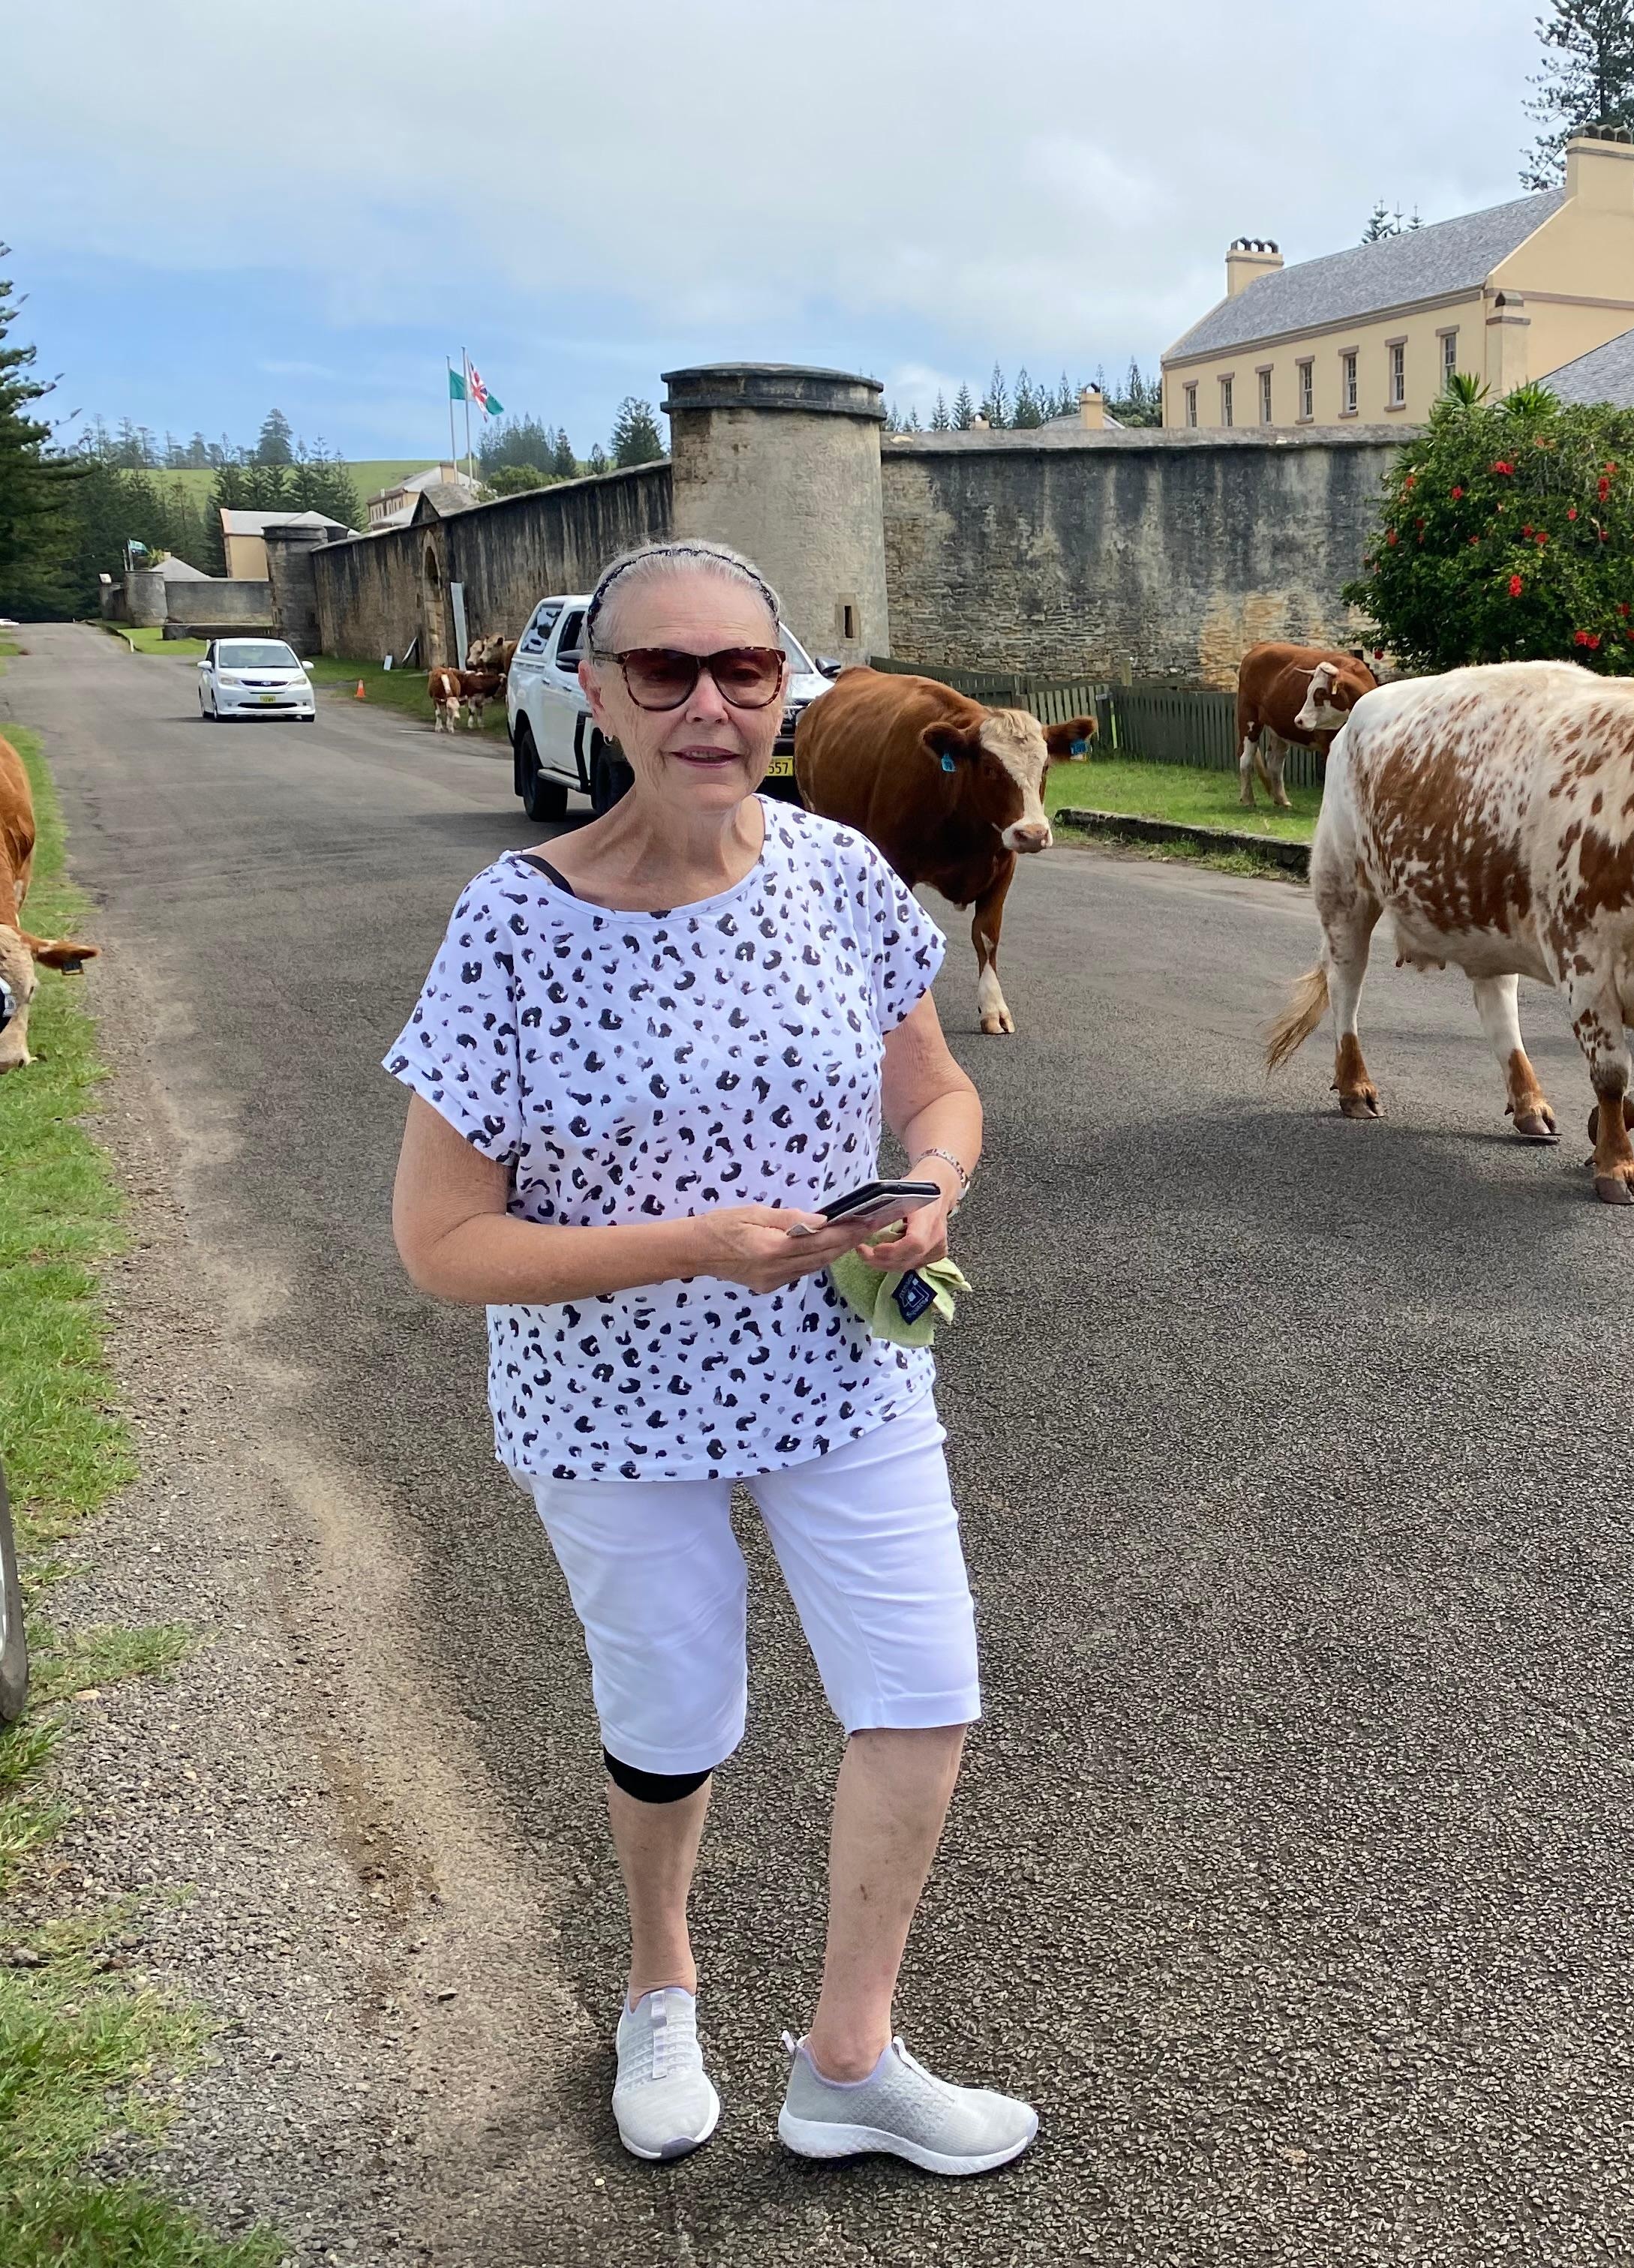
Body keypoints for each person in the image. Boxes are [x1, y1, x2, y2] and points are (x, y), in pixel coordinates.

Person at [386, 538, 1027, 2174]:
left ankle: (847, 2060)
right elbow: (442, 1245)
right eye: (661, 672)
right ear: (597, 694)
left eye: (743, 672)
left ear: (786, 694)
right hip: (608, 1405)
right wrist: (690, 1243)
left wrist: (931, 1190)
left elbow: (938, 1095)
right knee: (676, 1718)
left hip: (842, 1373)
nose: (706, 707)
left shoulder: (838, 877)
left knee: (924, 1694)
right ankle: (659, 1986)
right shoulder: (513, 925)